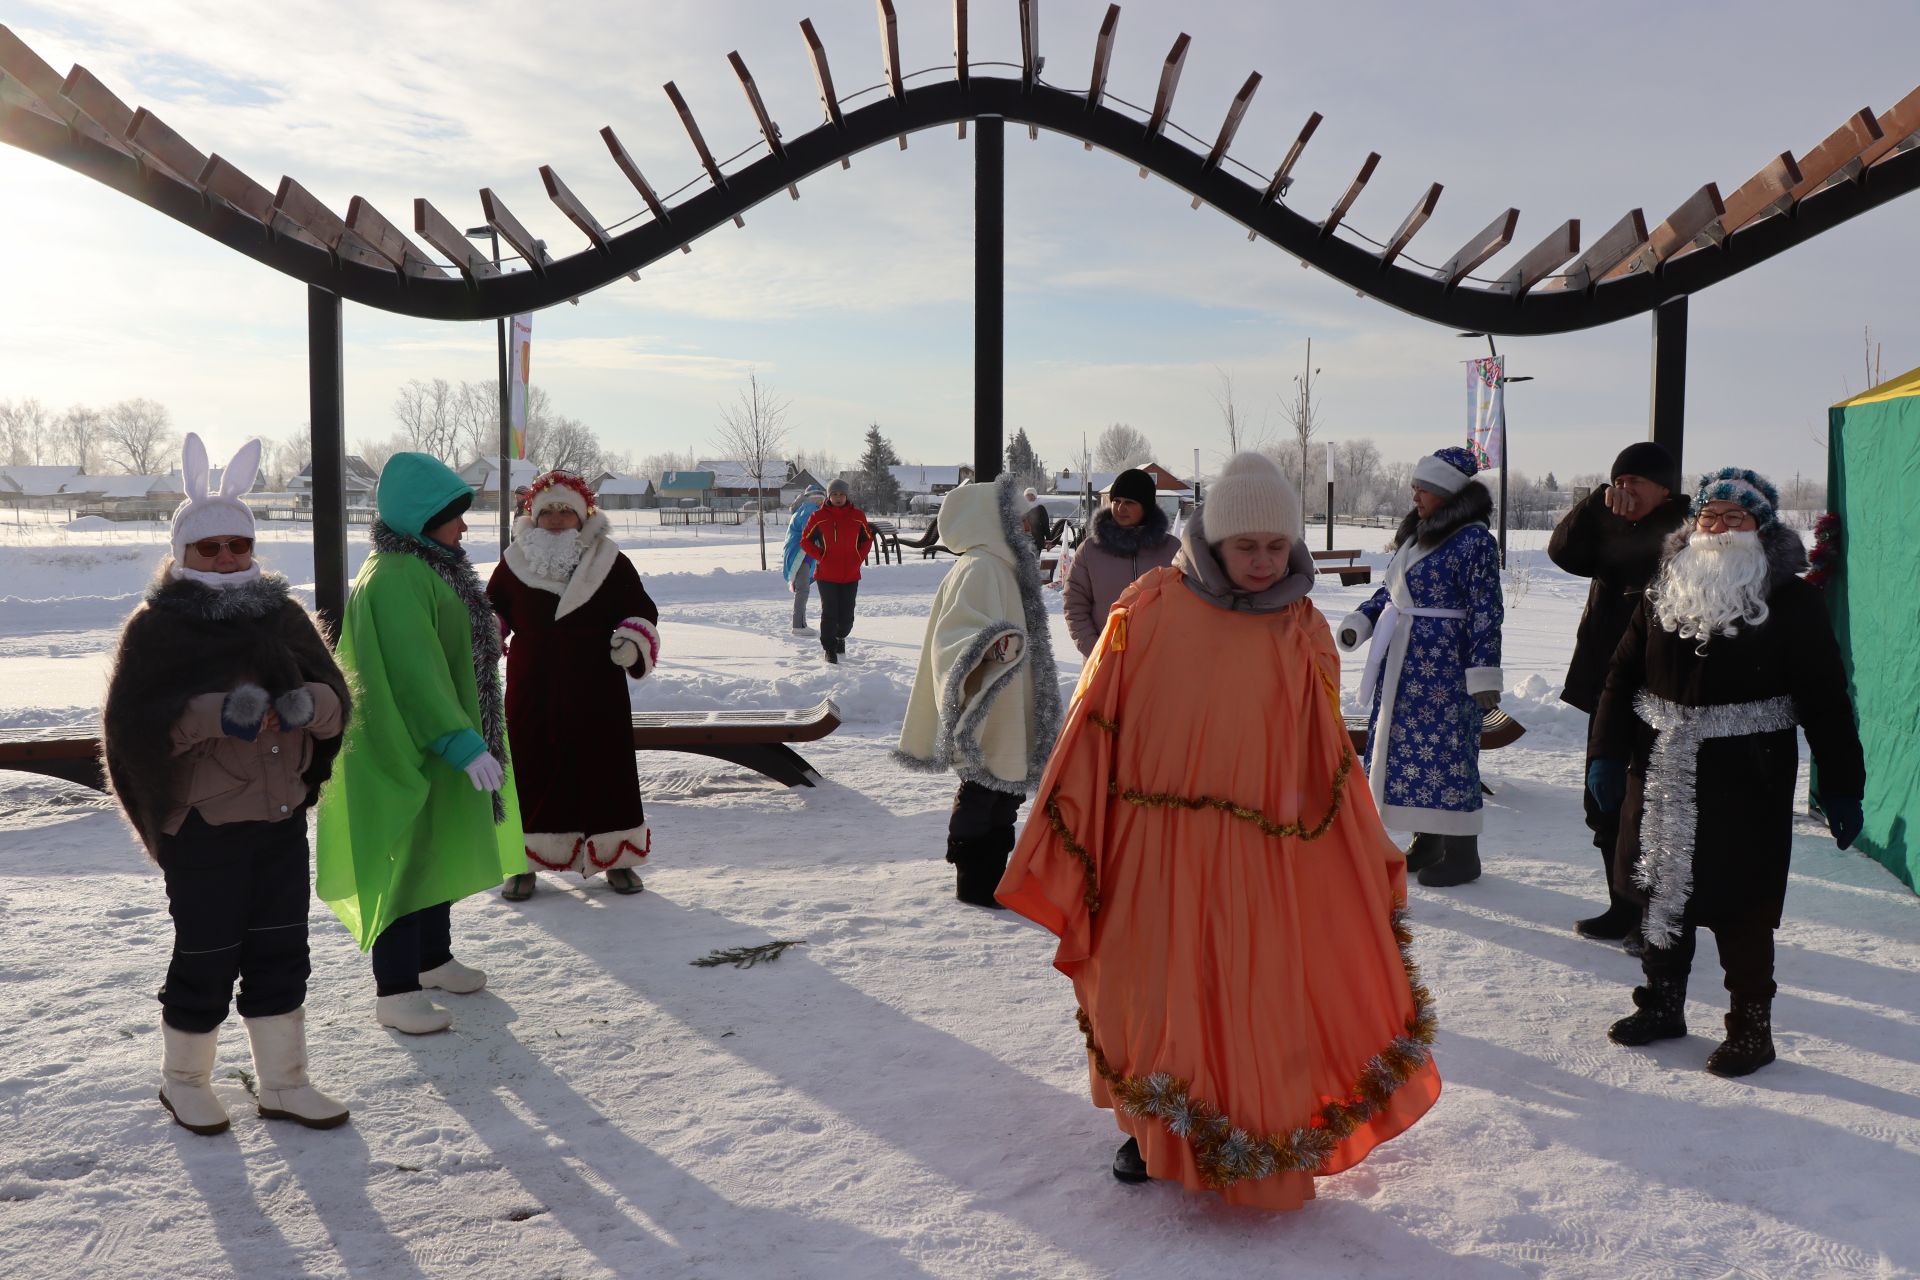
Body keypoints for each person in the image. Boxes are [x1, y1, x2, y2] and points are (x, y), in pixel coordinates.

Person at [997, 452, 1439, 1209]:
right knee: (1155, 989)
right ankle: (1152, 1128)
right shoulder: (1150, 609)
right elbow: (1095, 723)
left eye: (1277, 546)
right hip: (1155, 846)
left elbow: (1322, 747)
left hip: (1267, 851)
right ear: (1213, 541)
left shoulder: (1301, 626)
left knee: (1256, 993)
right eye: (1247, 547)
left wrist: (1340, 847)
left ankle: (1259, 1132)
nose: (1264, 562)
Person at [103, 434, 352, 1135]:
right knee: (208, 951)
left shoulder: (283, 616)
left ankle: (284, 1082)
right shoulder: (158, 629)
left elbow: (335, 700)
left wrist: (310, 705)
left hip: (277, 819)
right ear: (183, 553)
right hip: (204, 827)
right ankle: (184, 1080)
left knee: (281, 949)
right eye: (209, 548)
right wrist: (218, 714)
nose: (226, 558)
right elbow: (135, 728)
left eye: (237, 545)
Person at [1589, 468, 1864, 1077]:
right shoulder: (1666, 586)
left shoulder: (1793, 600)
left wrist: (1843, 784)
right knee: (1659, 891)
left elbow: (1824, 696)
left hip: (1748, 777)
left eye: (1734, 518)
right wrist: (1605, 753)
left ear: (1759, 529)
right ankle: (1662, 1002)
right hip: (1659, 767)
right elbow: (1620, 676)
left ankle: (1751, 1028)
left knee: (1743, 902)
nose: (1717, 528)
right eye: (1709, 516)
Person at [315, 453, 524, 1035]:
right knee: (406, 860)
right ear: (421, 517)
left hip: (433, 743)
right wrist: (460, 742)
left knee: (437, 851)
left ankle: (432, 960)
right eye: (454, 515)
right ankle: (396, 989)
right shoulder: (398, 578)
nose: (464, 527)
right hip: (407, 747)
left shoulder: (427, 568)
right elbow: (414, 675)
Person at [487, 472, 661, 903]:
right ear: (534, 516)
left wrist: (631, 639)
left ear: (583, 515)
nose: (558, 519)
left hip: (596, 683)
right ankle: (523, 862)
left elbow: (640, 609)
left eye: (566, 510)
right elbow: (493, 611)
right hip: (533, 686)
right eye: (548, 512)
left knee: (606, 767)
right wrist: (489, 633)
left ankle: (615, 856)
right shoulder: (513, 562)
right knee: (531, 767)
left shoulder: (610, 559)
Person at [1337, 445, 1504, 887]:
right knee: (1410, 757)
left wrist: (1483, 673)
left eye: (1423, 489)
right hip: (1404, 667)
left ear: (1447, 494)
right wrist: (1362, 623)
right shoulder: (1416, 537)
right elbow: (1392, 596)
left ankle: (1463, 854)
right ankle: (1428, 841)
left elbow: (1486, 609)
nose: (1415, 497)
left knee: (1449, 756)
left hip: (1445, 670)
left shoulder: (1475, 543)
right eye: (1414, 488)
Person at [897, 474, 1065, 906]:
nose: (1029, 527)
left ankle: (993, 871)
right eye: (1020, 520)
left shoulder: (1003, 568)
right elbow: (953, 636)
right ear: (996, 521)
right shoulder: (980, 568)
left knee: (1005, 789)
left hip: (1008, 698)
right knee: (983, 787)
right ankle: (973, 875)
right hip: (987, 704)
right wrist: (987, 647)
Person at [1548, 442, 1690, 951]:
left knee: (1648, 809)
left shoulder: (1684, 534)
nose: (1625, 491)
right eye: (1619, 482)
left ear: (1665, 489)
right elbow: (1564, 554)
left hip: (1656, 692)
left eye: (1637, 482)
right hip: (1605, 683)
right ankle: (1622, 904)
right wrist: (1592, 505)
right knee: (1603, 802)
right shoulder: (1609, 523)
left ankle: (1655, 917)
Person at [1063, 467, 1179, 656]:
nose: (1120, 508)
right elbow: (1074, 605)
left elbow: (1186, 604)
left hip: (1158, 662)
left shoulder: (1172, 550)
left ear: (1146, 507)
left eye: (1129, 502)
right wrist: (1096, 650)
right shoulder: (1090, 550)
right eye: (1116, 500)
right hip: (1103, 661)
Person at [800, 478, 874, 665]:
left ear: (846, 495)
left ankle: (841, 637)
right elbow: (805, 541)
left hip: (850, 573)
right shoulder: (818, 517)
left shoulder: (858, 516)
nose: (838, 497)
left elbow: (867, 539)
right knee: (829, 612)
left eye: (841, 494)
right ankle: (829, 649)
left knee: (847, 614)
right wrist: (821, 556)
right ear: (829, 496)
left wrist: (858, 557)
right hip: (826, 574)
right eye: (834, 494)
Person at [782, 483, 825, 634]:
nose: (821, 502)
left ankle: (801, 624)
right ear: (813, 499)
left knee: (803, 589)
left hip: (802, 555)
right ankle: (798, 626)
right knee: (803, 590)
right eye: (819, 499)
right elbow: (811, 532)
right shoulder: (809, 510)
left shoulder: (805, 509)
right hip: (800, 555)